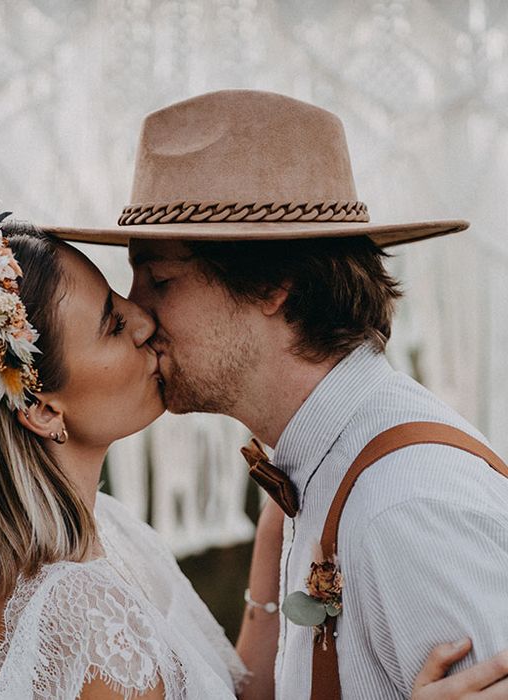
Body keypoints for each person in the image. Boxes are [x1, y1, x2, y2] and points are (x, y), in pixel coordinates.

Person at [0, 177, 488, 700]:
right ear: (41, 408)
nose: (140, 319)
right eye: (111, 320)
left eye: (155, 281)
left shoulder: (110, 534)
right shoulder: (75, 613)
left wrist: (278, 536)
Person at [45, 89, 508, 699]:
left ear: (273, 286)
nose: (140, 313)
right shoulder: (316, 469)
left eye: (160, 278)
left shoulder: (406, 507)